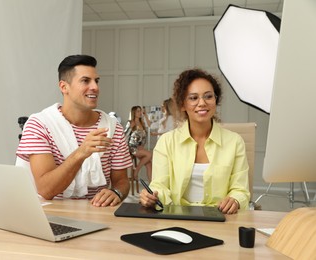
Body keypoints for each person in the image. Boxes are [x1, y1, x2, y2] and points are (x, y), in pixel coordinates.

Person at [16, 54, 132, 207]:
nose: (95, 87)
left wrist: (116, 192)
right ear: (64, 87)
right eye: (85, 81)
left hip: (98, 216)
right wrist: (81, 153)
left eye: (96, 81)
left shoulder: (112, 127)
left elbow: (121, 181)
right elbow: (45, 190)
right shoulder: (39, 125)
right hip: (48, 216)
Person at [139, 68, 250, 214]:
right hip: (177, 218)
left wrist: (235, 200)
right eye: (193, 98)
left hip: (221, 219)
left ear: (215, 100)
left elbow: (241, 190)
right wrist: (152, 195)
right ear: (183, 105)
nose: (202, 103)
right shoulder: (166, 142)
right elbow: (159, 185)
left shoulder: (235, 142)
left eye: (208, 96)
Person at [124, 106, 152, 181]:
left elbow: (149, 125)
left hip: (140, 148)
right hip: (132, 147)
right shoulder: (130, 122)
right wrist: (130, 127)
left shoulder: (142, 122)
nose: (140, 113)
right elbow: (124, 135)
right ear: (134, 113)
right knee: (149, 154)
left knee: (149, 164)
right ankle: (136, 172)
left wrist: (145, 115)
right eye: (138, 111)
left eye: (140, 111)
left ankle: (152, 186)